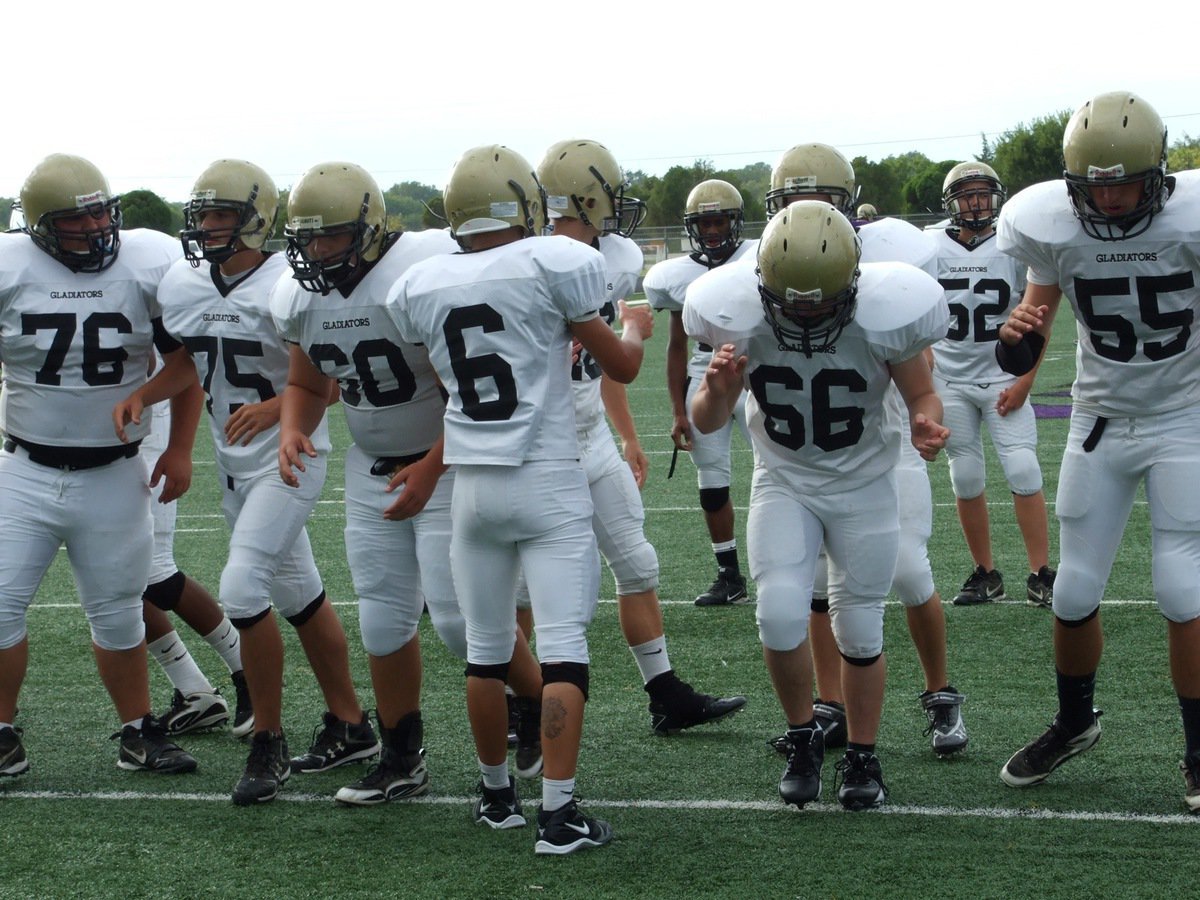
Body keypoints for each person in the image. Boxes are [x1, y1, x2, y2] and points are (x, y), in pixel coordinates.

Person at [386, 144, 652, 854]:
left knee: (486, 651)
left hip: (471, 487)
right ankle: (558, 815)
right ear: (523, 205)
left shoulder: (422, 283)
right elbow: (622, 364)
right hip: (547, 476)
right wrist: (631, 326)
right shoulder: (551, 265)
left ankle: (496, 795)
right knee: (562, 650)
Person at [273, 160, 544, 804]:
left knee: (455, 621)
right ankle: (402, 757)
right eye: (306, 238)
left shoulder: (423, 273)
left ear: (369, 227)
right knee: (383, 621)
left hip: (448, 463)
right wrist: (292, 427)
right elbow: (308, 381)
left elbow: (474, 387)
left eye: (331, 236)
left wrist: (432, 466)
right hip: (372, 474)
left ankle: (533, 700)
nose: (316, 251)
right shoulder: (298, 295)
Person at [113, 159, 376, 805]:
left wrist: (278, 408)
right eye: (201, 214)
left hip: (292, 455)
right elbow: (193, 364)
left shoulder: (291, 282)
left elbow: (334, 379)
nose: (207, 227)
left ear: (258, 217)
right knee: (301, 596)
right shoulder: (185, 282)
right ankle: (352, 724)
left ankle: (269, 741)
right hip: (235, 464)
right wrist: (145, 395)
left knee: (242, 584)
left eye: (221, 214)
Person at [686, 200, 950, 809]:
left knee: (858, 625)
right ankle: (804, 736)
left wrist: (924, 424)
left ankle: (863, 756)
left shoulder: (886, 319)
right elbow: (706, 419)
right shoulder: (740, 317)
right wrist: (717, 393)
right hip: (785, 481)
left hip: (864, 485)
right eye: (793, 303)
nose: (807, 314)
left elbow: (924, 395)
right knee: (779, 615)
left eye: (822, 302)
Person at [995, 91, 1200, 813]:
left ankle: (1198, 751)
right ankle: (1076, 721)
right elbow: (1037, 317)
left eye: (1124, 181)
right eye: (1095, 185)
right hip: (1099, 418)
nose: (1110, 198)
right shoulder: (1052, 228)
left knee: (1182, 587)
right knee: (1075, 589)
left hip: (1185, 418)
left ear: (1160, 174)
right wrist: (1017, 340)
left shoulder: (1190, 221)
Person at [534, 139, 746, 735]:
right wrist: (627, 332)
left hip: (590, 435)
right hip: (538, 449)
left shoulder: (614, 257)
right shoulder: (526, 260)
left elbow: (600, 365)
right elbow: (617, 353)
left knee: (637, 562)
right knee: (535, 597)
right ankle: (521, 706)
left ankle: (665, 692)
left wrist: (627, 435)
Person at [763, 143, 967, 757]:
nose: (806, 213)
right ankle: (830, 705)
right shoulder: (768, 264)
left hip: (886, 434)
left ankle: (941, 692)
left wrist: (921, 420)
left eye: (819, 199)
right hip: (809, 450)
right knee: (822, 584)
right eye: (793, 200)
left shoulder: (889, 262)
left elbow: (918, 365)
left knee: (906, 569)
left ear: (845, 203)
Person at [0, 153, 196, 776]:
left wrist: (182, 445)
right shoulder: (9, 267)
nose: (93, 229)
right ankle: (1, 733)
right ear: (39, 225)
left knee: (117, 607)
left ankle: (138, 731)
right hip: (24, 470)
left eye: (98, 213)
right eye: (74, 220)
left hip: (116, 470)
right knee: (0, 604)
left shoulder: (149, 261)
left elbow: (185, 365)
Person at [930, 161, 1055, 609]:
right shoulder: (929, 247)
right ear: (952, 202)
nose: (977, 202)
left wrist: (1025, 379)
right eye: (968, 194)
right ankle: (986, 572)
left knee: (1023, 470)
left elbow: (1040, 317)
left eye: (984, 193)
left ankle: (1041, 572)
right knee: (965, 476)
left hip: (1004, 375)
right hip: (951, 378)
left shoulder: (1013, 242)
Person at [644, 179, 755, 606]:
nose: (711, 231)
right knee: (711, 484)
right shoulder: (678, 275)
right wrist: (677, 409)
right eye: (703, 223)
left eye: (719, 221)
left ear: (734, 221)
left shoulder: (758, 257)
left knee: (781, 467)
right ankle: (729, 576)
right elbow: (676, 347)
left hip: (752, 371)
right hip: (703, 372)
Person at [141, 370, 253, 737]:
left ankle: (247, 667)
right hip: (84, 441)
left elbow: (182, 366)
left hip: (140, 434)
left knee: (156, 574)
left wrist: (179, 448)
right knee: (112, 582)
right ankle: (195, 691)